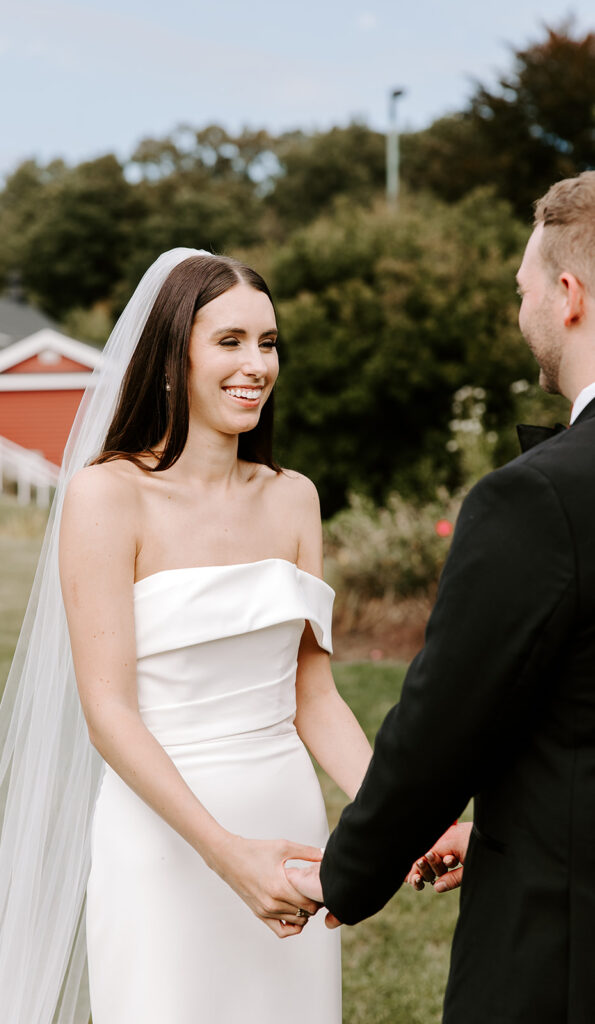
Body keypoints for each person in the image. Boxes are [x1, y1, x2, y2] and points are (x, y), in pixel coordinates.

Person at [0, 248, 378, 1024]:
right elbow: (108, 711)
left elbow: (311, 694)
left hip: (285, 825)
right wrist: (226, 855)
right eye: (230, 341)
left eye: (268, 342)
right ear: (173, 358)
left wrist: (397, 817)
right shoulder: (106, 497)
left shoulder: (293, 500)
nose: (256, 364)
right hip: (163, 839)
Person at [288, 170, 595, 1023]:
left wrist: (348, 872)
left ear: (566, 296)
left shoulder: (539, 497)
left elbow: (443, 719)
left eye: (522, 288)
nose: (519, 306)